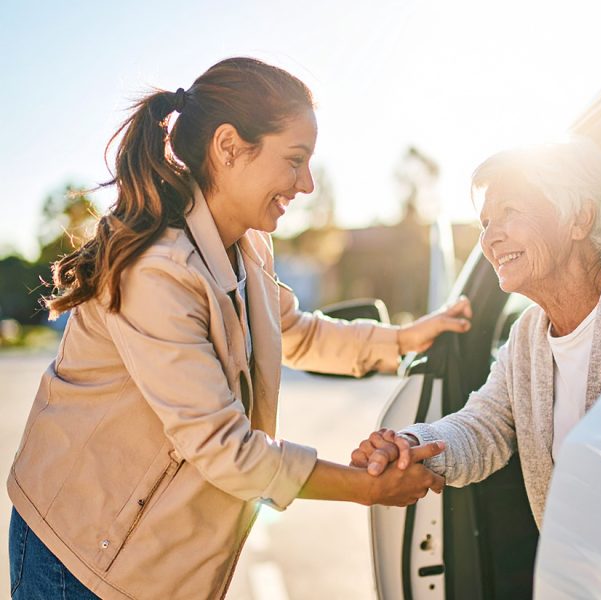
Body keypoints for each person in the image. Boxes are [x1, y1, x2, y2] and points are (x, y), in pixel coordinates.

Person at [7, 57, 471, 600]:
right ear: (229, 147)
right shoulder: (158, 270)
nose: (307, 183)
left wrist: (406, 340)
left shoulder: (247, 245)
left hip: (151, 567)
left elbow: (294, 332)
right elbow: (225, 448)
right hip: (80, 561)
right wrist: (366, 488)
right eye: (294, 160)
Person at [351, 137, 601, 529]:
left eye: (510, 212)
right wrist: (412, 446)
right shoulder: (527, 336)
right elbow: (484, 425)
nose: (490, 238)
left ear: (580, 219)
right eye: (486, 223)